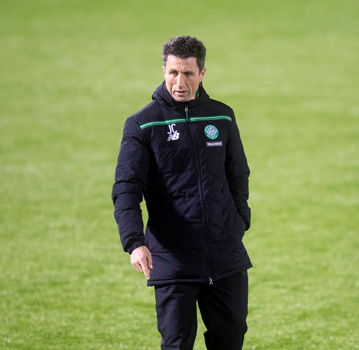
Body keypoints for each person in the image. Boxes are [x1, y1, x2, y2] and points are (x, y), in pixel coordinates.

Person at [112, 36, 252, 350]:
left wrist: (239, 220)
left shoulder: (222, 116)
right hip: (173, 259)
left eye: (188, 74)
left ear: (202, 73)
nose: (179, 82)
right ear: (163, 69)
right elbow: (126, 188)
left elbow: (237, 174)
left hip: (224, 255)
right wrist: (134, 242)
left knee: (231, 338)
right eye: (173, 72)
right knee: (177, 344)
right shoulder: (143, 124)